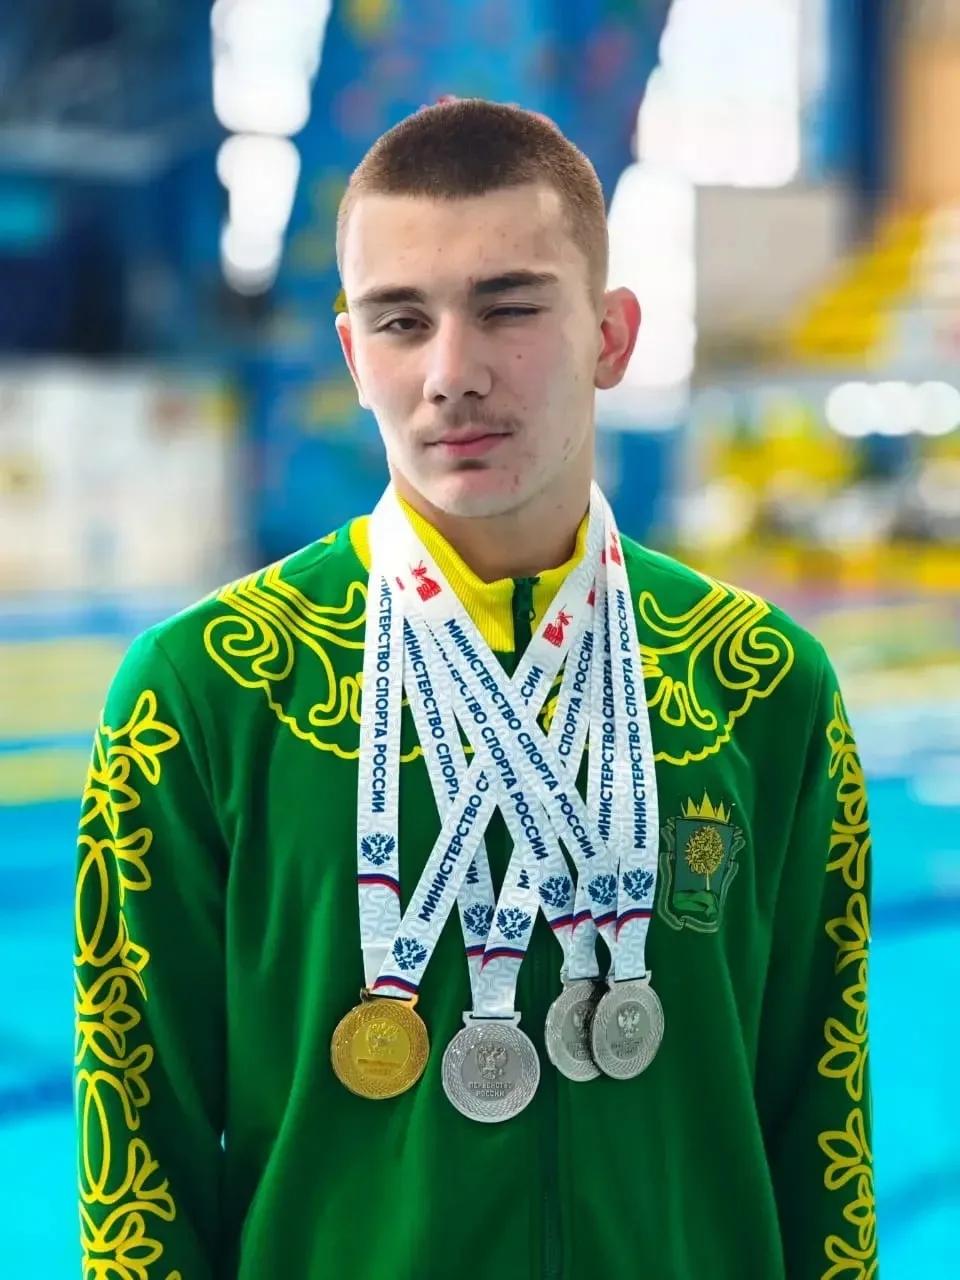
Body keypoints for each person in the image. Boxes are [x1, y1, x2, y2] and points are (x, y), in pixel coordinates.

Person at [73, 98, 878, 1280]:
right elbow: (136, 1159)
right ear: (355, 355)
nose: (452, 373)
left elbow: (824, 1127)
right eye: (402, 320)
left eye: (510, 307)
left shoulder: (759, 684)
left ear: (611, 335)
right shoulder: (208, 693)